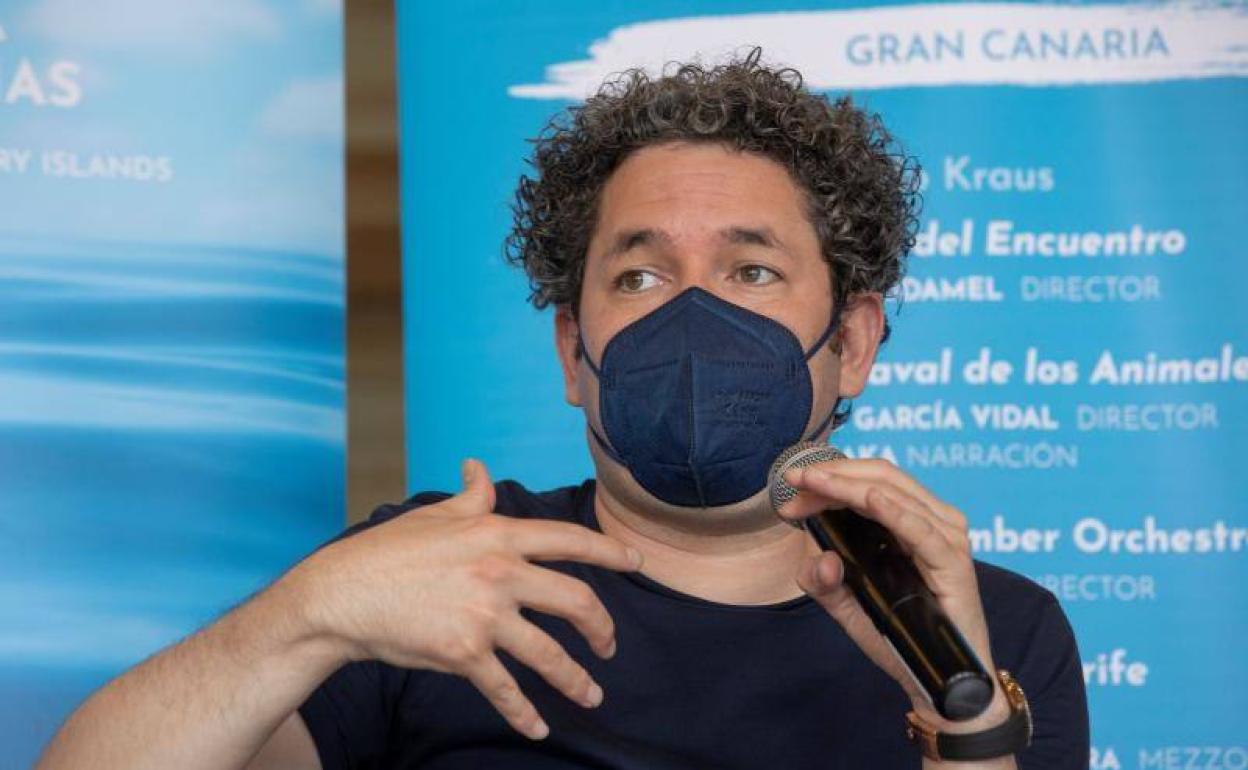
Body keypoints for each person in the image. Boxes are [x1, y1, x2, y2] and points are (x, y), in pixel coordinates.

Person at [36, 49, 1088, 770]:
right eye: (639, 276)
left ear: (851, 342)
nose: (692, 314)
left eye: (752, 270)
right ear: (572, 352)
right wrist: (306, 615)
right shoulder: (434, 574)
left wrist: (965, 711)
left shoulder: (992, 627)